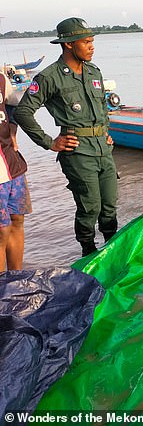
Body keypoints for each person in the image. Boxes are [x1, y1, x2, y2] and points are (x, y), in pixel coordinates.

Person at [14, 17, 117, 257]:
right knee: (89, 208)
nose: (92, 46)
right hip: (78, 152)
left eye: (92, 41)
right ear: (69, 44)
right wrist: (50, 142)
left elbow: (102, 107)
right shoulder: (50, 77)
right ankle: (88, 253)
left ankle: (113, 251)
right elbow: (23, 112)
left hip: (103, 148)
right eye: (86, 41)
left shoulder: (94, 71)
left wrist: (106, 132)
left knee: (110, 206)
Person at [0, 73, 31, 271]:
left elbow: (14, 106)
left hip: (12, 163)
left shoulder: (2, 79)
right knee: (1, 231)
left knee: (17, 219)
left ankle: (16, 280)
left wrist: (12, 131)